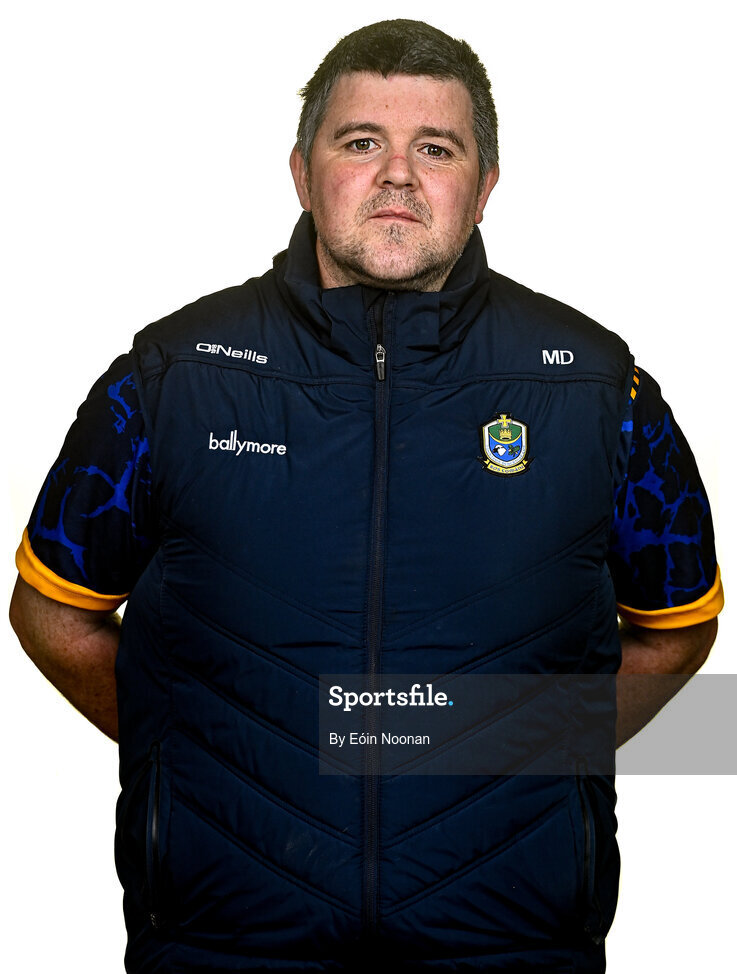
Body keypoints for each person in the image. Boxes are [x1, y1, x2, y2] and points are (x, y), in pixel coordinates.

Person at [8, 18, 723, 974]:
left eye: (436, 149)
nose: (396, 175)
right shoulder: (170, 381)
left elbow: (675, 628)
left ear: (485, 184)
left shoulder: (600, 392)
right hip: (224, 946)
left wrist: (528, 761)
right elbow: (53, 614)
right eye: (359, 143)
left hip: (512, 947)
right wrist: (193, 753)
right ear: (301, 174)